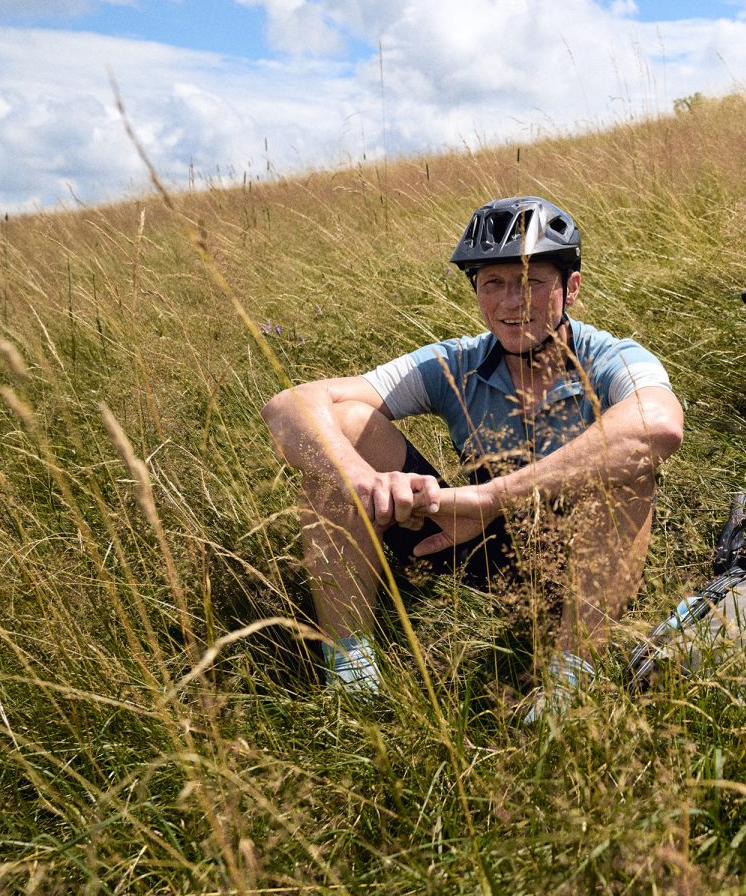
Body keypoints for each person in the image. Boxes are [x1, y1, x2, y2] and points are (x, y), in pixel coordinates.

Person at [261, 196, 684, 708]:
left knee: (630, 469)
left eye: (531, 282)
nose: (511, 303)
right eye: (494, 284)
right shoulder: (454, 362)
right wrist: (359, 478)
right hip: (471, 544)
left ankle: (571, 680)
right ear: (477, 293)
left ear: (570, 288)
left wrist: (490, 499)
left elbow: (658, 426)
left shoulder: (612, 357)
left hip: (582, 560)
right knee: (345, 427)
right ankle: (351, 671)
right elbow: (288, 405)